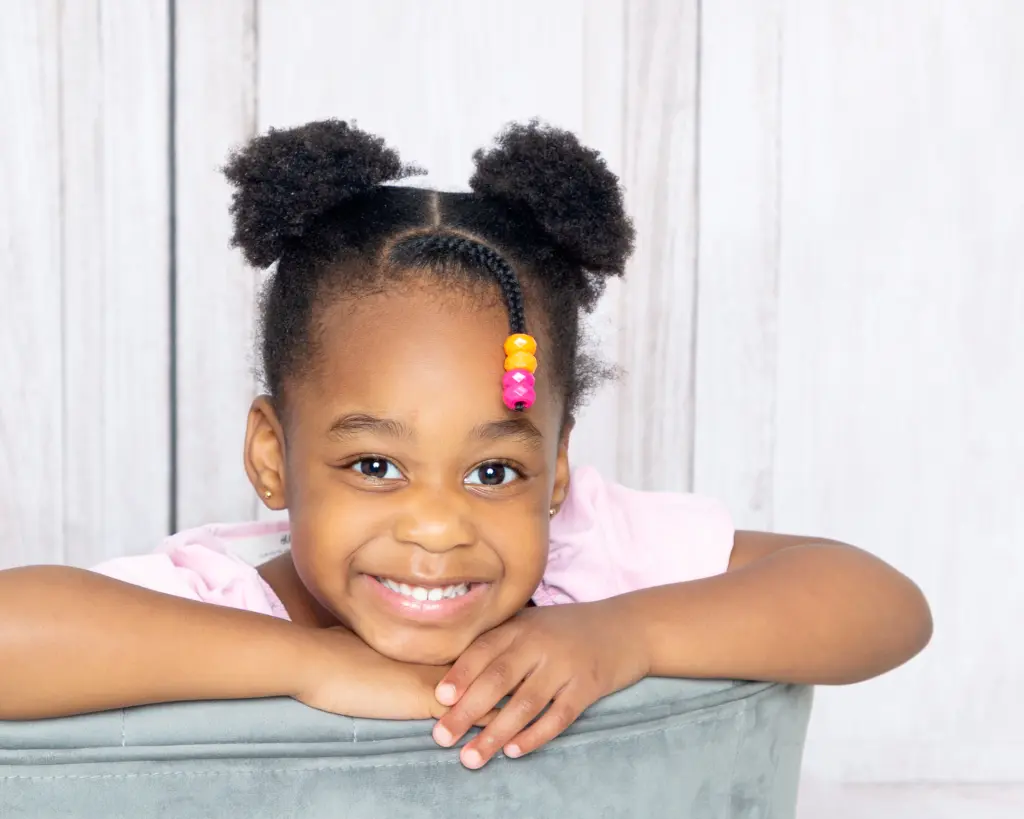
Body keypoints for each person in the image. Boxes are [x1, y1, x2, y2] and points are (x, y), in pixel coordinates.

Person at [0, 120, 932, 770]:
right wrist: (310, 665)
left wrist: (630, 636)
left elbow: (883, 602)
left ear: (554, 473)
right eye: (375, 465)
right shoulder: (220, 608)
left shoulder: (587, 571)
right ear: (273, 456)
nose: (439, 526)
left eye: (494, 470)